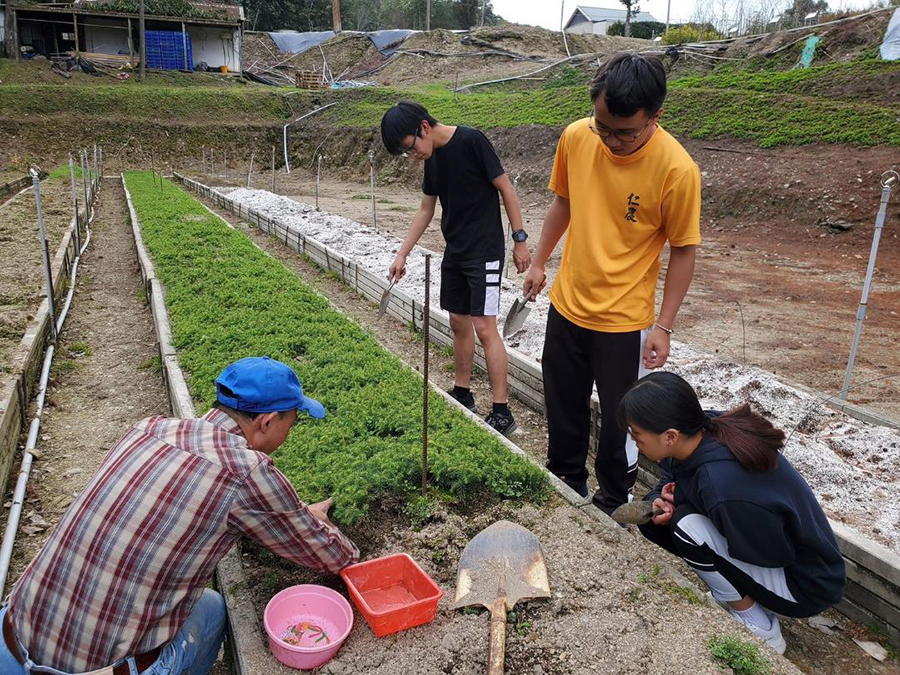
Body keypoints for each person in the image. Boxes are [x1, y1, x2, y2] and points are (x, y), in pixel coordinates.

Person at [1, 356, 360, 675]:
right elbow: (332, 556)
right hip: (92, 670)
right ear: (266, 422)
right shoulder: (245, 472)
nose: (289, 433)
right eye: (292, 423)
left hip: (10, 636)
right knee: (213, 609)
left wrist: (293, 514)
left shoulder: (149, 428)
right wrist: (320, 531)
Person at [522, 52, 701, 512]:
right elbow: (564, 202)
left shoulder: (677, 170)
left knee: (624, 422)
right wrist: (539, 262)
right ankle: (564, 478)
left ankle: (611, 499)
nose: (611, 140)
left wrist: (664, 324)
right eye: (603, 126)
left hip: (624, 321)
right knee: (563, 402)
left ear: (655, 117)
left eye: (625, 132)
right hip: (568, 303)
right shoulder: (577, 137)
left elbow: (684, 249)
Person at [619, 371, 846, 653]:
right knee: (657, 520)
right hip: (793, 559)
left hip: (805, 584)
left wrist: (686, 503)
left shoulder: (722, 487)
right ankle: (745, 595)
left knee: (684, 528)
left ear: (670, 436)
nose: (635, 442)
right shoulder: (703, 430)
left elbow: (770, 553)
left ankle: (760, 625)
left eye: (637, 435)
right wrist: (660, 497)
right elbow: (672, 479)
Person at [380, 100, 531, 436]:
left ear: (423, 127)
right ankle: (463, 394)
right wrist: (402, 254)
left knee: (484, 326)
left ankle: (502, 411)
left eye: (410, 147)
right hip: (456, 251)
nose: (413, 155)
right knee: (458, 320)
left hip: (485, 252)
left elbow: (506, 189)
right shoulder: (432, 159)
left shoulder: (472, 141)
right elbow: (425, 210)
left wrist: (520, 240)